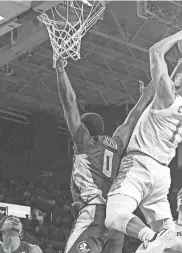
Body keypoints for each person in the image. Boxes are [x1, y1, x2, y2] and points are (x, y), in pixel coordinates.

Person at [105, 23, 182, 253]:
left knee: (114, 216)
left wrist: (181, 35)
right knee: (169, 237)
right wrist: (179, 69)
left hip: (139, 165)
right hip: (161, 174)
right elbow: (164, 91)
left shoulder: (168, 98)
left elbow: (155, 51)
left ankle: (148, 238)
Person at [54, 58, 155, 253]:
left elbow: (69, 102)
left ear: (84, 129)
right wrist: (145, 97)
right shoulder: (116, 144)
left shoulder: (84, 142)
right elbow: (131, 120)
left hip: (95, 213)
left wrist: (60, 73)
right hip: (116, 221)